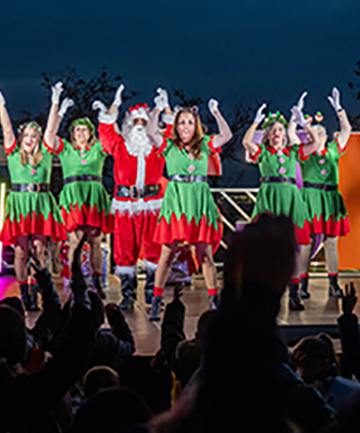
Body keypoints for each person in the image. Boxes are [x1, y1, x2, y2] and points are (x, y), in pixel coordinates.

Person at [146, 92, 232, 319]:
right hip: (177, 201)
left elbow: (227, 134)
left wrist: (215, 111)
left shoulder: (205, 144)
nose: (186, 126)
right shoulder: (169, 145)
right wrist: (157, 109)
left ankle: (214, 301)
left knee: (204, 254)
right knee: (166, 254)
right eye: (182, 122)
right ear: (176, 126)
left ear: (197, 126)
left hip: (199, 201)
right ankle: (156, 301)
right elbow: (150, 133)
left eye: (190, 122)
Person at [0, 84, 67, 310]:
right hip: (20, 204)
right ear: (21, 138)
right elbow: (6, 129)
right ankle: (26, 294)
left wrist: (55, 100)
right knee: (21, 252)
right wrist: (1, 102)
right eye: (27, 136)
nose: (30, 139)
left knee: (38, 251)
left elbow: (51, 129)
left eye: (34, 136)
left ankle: (42, 291)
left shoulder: (45, 155)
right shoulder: (13, 154)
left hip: (40, 204)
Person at [93, 85, 171, 310]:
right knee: (124, 247)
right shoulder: (120, 145)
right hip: (125, 204)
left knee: (153, 247)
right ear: (128, 124)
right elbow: (106, 132)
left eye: (144, 122)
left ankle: (151, 294)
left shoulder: (157, 146)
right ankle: (127, 295)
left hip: (151, 203)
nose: (139, 126)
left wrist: (164, 107)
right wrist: (115, 105)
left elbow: (173, 133)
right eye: (135, 122)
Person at [242, 103, 317, 311]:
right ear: (267, 135)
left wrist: (304, 123)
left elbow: (315, 142)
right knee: (265, 248)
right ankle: (266, 292)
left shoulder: (293, 152)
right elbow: (246, 141)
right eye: (273, 130)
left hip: (291, 197)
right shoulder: (263, 153)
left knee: (293, 249)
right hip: (270, 196)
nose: (277, 133)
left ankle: (293, 293)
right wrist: (256, 121)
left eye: (281, 130)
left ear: (285, 134)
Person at [44, 82, 113, 298]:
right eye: (77, 129)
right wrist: (58, 110)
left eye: (85, 129)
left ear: (90, 133)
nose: (81, 132)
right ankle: (72, 279)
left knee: (94, 239)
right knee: (74, 239)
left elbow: (112, 136)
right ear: (72, 133)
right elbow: (48, 136)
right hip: (73, 195)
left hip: (94, 195)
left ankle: (96, 281)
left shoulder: (98, 149)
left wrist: (107, 114)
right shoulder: (65, 149)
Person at [288, 89, 352, 298]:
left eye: (319, 133)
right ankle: (302, 286)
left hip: (331, 198)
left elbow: (346, 130)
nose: (315, 136)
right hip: (311, 198)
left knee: (331, 243)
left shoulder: (334, 149)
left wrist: (338, 109)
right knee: (306, 244)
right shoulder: (304, 152)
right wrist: (296, 115)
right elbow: (290, 135)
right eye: (311, 133)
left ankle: (334, 284)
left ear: (326, 136)